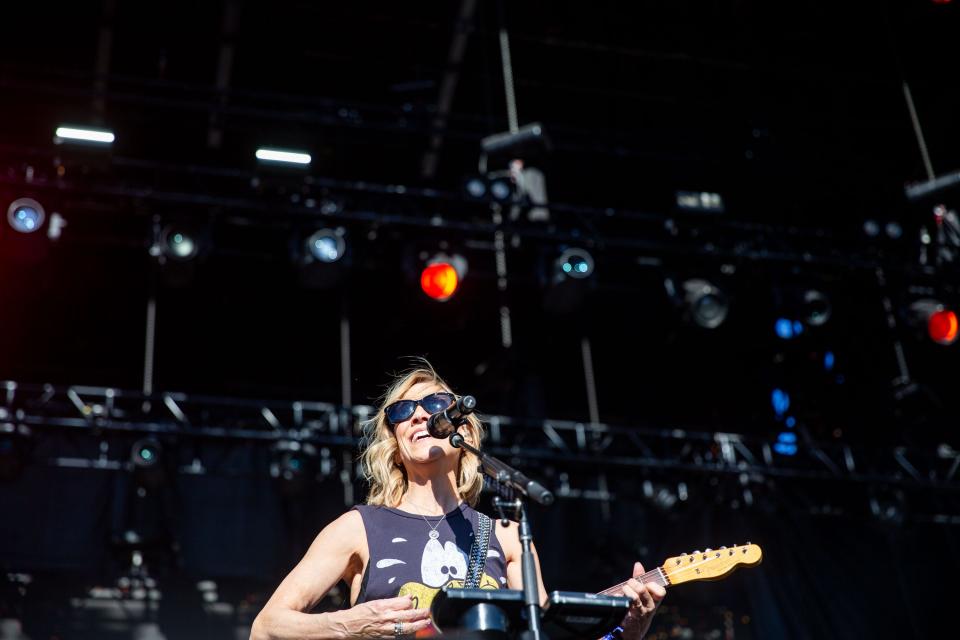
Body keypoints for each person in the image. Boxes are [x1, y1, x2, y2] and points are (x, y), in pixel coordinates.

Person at [250, 364, 664, 639]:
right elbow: (266, 628)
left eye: (433, 406)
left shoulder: (506, 534)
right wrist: (351, 623)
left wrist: (631, 627)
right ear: (394, 444)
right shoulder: (358, 528)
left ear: (462, 434)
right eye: (402, 412)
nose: (418, 416)